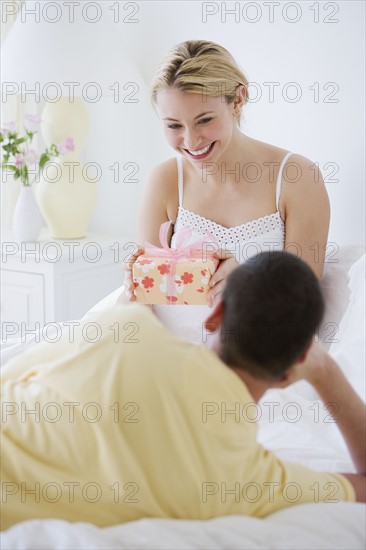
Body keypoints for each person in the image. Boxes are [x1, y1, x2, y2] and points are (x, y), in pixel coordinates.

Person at [1, 252, 364, 530]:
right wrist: (326, 372)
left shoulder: (123, 326)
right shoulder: (250, 478)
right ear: (298, 359)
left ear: (215, 314)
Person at [124, 40, 331, 344]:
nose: (192, 141)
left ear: (238, 98)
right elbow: (144, 307)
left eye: (204, 120)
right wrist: (135, 287)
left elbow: (304, 303)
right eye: (173, 125)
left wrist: (253, 280)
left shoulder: (297, 178)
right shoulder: (165, 181)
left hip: (260, 359)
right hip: (171, 357)